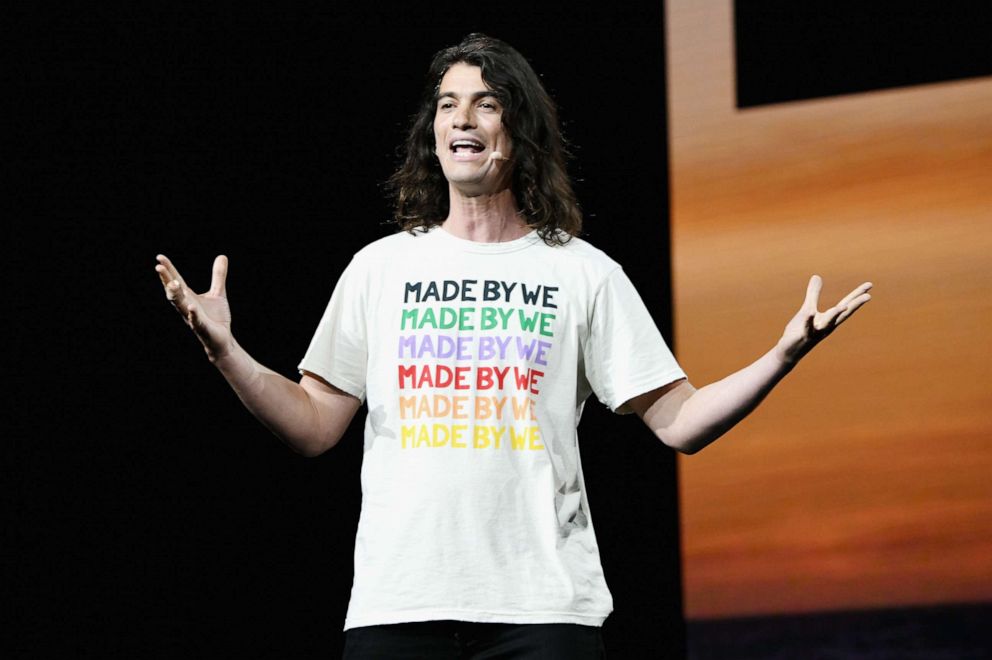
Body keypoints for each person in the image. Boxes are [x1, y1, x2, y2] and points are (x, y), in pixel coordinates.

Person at [155, 33, 871, 660]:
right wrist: (227, 353)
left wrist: (780, 357)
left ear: (518, 129)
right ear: (431, 133)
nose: (461, 118)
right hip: (398, 608)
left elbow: (681, 423)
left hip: (541, 615)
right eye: (446, 103)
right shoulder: (381, 267)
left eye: (486, 103)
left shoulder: (582, 273)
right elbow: (314, 425)